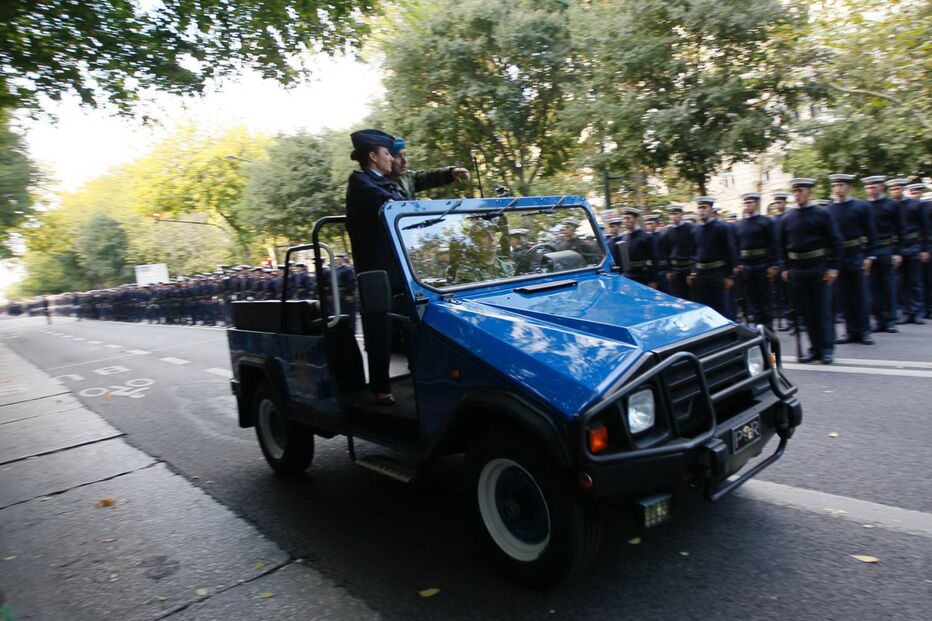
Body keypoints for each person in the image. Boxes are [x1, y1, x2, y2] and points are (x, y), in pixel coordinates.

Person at [345, 129, 406, 406]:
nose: (391, 159)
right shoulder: (360, 182)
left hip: (399, 266)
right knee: (379, 328)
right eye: (386, 153)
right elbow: (388, 205)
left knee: (414, 322)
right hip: (375, 269)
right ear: (372, 156)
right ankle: (380, 388)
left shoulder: (388, 182)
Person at [777, 178, 842, 364]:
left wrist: (833, 267)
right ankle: (814, 348)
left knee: (821, 310)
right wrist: (785, 268)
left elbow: (835, 241)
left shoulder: (822, 214)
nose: (797, 194)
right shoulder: (787, 217)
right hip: (797, 270)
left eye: (801, 191)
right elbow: (781, 246)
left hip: (818, 267)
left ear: (809, 192)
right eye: (795, 191)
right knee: (806, 312)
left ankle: (826, 349)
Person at [826, 173, 876, 344]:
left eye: (841, 185)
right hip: (839, 257)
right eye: (835, 186)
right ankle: (850, 331)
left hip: (856, 253)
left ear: (849, 187)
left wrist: (869, 255)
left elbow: (871, 232)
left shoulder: (860, 207)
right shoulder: (829, 209)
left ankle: (864, 331)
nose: (838, 188)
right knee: (844, 296)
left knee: (860, 294)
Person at [863, 175, 904, 333]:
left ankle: (891, 320)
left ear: (882, 187)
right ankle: (879, 320)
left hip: (887, 248)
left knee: (889, 285)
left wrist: (897, 251)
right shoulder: (864, 206)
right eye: (868, 187)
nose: (871, 190)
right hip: (870, 250)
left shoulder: (891, 205)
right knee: (874, 287)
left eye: (874, 187)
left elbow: (901, 229)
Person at [735, 192, 778, 330]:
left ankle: (768, 326)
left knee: (765, 296)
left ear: (757, 203)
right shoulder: (740, 224)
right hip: (747, 265)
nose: (748, 205)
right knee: (752, 297)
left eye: (751, 202)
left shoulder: (766, 222)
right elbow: (737, 246)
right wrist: (739, 264)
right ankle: (758, 326)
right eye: (746, 203)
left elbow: (773, 244)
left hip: (762, 264)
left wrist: (773, 265)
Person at [887, 178, 926, 324]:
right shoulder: (889, 206)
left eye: (897, 189)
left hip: (913, 244)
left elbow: (924, 227)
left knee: (914, 280)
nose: (894, 192)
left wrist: (924, 248)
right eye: (892, 189)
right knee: (900, 280)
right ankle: (905, 311)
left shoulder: (915, 204)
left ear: (903, 189)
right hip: (896, 245)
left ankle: (915, 311)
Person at [689, 197, 735, 317]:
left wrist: (728, 276)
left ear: (711, 210)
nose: (701, 211)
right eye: (699, 208)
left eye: (704, 208)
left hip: (717, 274)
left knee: (721, 308)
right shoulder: (696, 230)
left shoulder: (721, 228)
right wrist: (693, 271)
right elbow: (693, 252)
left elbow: (730, 252)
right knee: (705, 308)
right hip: (701, 275)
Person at [387, 137, 470, 199]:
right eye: (398, 156)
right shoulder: (378, 184)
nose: (404, 161)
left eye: (405, 155)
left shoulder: (407, 178)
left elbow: (430, 176)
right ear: (388, 159)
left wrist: (450, 172)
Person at [906, 182, 932, 318]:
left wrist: (926, 249)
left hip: (924, 246)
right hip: (912, 246)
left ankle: (928, 309)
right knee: (915, 280)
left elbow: (927, 229)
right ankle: (917, 309)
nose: (914, 195)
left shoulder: (927, 206)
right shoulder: (906, 207)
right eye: (912, 193)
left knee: (928, 279)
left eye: (916, 193)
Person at [662, 204, 695, 300]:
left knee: (692, 296)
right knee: (678, 297)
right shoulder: (667, 232)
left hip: (688, 267)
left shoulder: (690, 229)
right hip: (675, 269)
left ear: (681, 214)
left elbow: (695, 250)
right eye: (671, 214)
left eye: (675, 214)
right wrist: (668, 270)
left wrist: (693, 271)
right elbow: (666, 252)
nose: (673, 217)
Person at [617, 208, 657, 287]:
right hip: (629, 277)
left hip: (643, 277)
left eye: (628, 218)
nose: (625, 221)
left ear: (636, 219)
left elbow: (655, 259)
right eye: (624, 218)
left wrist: (653, 280)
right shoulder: (624, 238)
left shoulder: (646, 237)